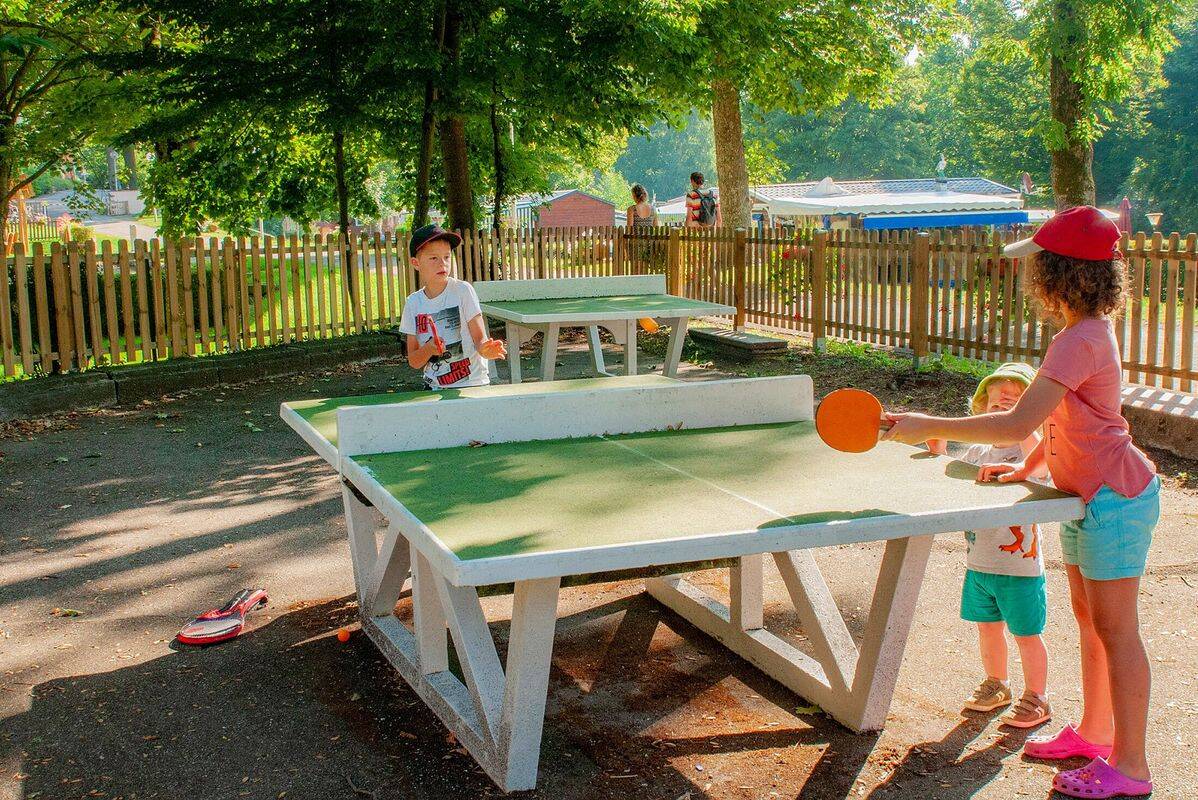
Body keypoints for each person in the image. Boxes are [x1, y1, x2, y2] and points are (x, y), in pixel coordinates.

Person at [883, 206, 1159, 799]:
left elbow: (1016, 422)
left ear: (1060, 275)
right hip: (1087, 497)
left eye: (1037, 265)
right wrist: (1028, 468)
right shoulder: (1080, 336)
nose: (1030, 276)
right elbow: (1059, 422)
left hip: (1116, 498)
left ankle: (1130, 768)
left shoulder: (1078, 340)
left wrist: (921, 423)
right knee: (1091, 622)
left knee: (1117, 631)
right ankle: (1095, 733)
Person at [927, 362, 1053, 729]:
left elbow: (1041, 469)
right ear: (981, 409)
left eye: (1017, 402)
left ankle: (1037, 698)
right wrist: (937, 448)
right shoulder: (976, 453)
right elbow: (942, 478)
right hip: (979, 565)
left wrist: (1024, 423)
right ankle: (997, 684)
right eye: (998, 401)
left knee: (1026, 635)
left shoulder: (1032, 457)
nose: (1006, 404)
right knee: (988, 629)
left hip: (1020, 570)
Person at [400, 223, 507, 390]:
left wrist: (486, 350)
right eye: (433, 258)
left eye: (447, 257)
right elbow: (414, 361)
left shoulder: (463, 291)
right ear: (416, 263)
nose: (442, 263)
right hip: (433, 388)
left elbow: (480, 339)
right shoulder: (413, 303)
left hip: (473, 384)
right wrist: (428, 349)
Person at [626, 183, 659, 272]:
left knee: (635, 267)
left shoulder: (632, 209)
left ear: (634, 196)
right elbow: (656, 227)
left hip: (635, 242)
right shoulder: (653, 209)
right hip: (649, 242)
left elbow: (629, 228)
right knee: (646, 268)